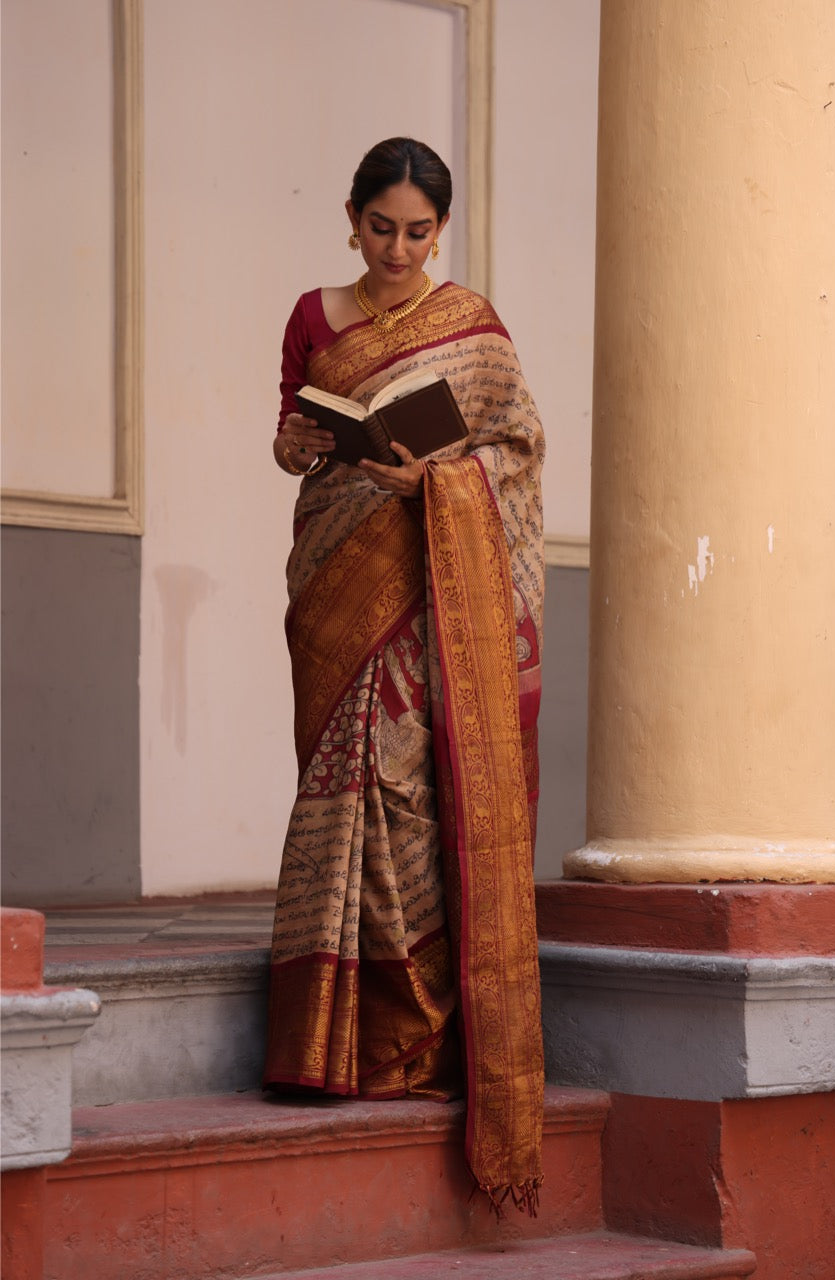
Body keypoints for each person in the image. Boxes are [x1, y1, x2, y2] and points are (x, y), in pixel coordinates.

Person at [264, 137, 546, 1215]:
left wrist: (442, 476)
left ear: (440, 229)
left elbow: (514, 446)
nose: (395, 248)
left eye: (415, 230)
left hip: (429, 583)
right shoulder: (310, 315)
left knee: (405, 796)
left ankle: (407, 1037)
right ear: (349, 219)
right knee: (334, 794)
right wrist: (303, 440)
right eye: (378, 226)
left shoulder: (469, 327)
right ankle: (321, 1046)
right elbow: (291, 441)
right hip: (337, 570)